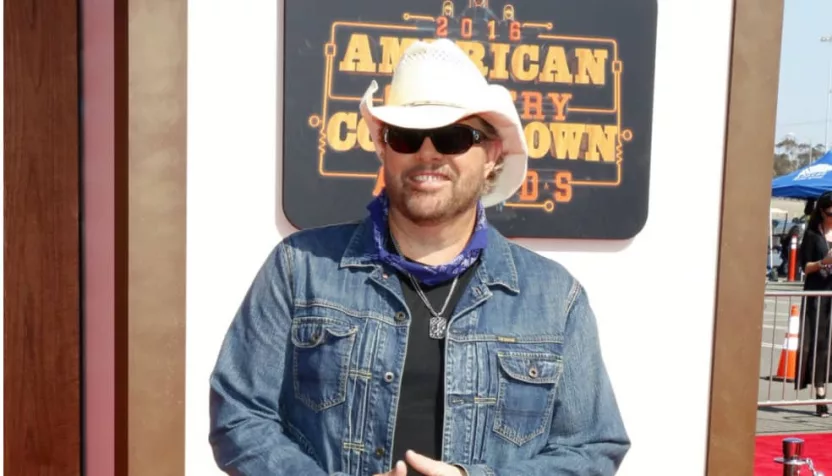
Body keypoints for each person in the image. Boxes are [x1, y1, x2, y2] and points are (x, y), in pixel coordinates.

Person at [208, 39, 629, 476]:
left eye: (453, 137)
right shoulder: (299, 269)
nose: (428, 154)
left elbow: (592, 447)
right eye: (407, 137)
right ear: (383, 148)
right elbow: (239, 415)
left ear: (492, 156)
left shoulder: (555, 298)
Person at [798, 191, 832, 417]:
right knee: (819, 343)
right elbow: (804, 267)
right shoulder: (811, 235)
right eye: (830, 213)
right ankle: (820, 393)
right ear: (821, 212)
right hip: (818, 295)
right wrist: (823, 262)